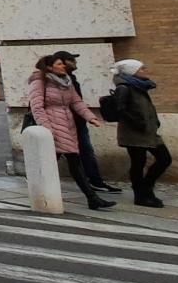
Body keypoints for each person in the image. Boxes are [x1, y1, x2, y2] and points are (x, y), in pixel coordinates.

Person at [28, 55, 115, 210]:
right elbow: (37, 108)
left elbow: (76, 102)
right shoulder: (40, 82)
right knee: (70, 161)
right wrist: (47, 129)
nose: (63, 66)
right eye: (59, 64)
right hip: (52, 126)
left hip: (68, 125)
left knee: (69, 161)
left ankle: (91, 199)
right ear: (49, 67)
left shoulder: (66, 82)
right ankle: (90, 198)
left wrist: (91, 117)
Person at [54, 50, 123, 194]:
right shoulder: (53, 81)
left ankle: (94, 184)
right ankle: (38, 176)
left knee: (84, 153)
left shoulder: (71, 79)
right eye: (71, 60)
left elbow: (77, 102)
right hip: (63, 124)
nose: (75, 62)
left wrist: (89, 117)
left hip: (78, 123)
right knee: (63, 155)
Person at [112, 59, 172, 208]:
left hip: (148, 131)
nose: (145, 71)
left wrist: (154, 121)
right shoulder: (124, 88)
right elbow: (120, 109)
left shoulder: (139, 86)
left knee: (165, 159)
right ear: (132, 72)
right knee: (138, 163)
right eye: (141, 69)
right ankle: (140, 195)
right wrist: (137, 122)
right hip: (133, 132)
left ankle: (147, 188)